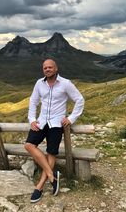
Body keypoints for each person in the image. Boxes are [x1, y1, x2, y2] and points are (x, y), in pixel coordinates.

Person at [25, 59, 84, 203]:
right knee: (29, 145)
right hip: (41, 121)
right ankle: (52, 176)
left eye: (50, 67)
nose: (47, 69)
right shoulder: (39, 83)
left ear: (56, 69)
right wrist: (32, 119)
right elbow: (33, 101)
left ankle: (39, 187)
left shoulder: (65, 83)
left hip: (57, 123)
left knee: (51, 153)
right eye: (45, 68)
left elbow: (80, 99)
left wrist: (71, 118)